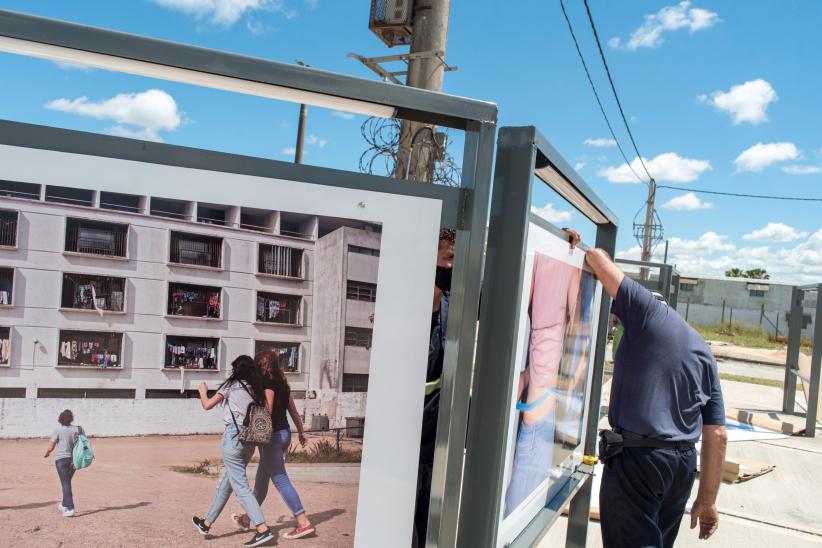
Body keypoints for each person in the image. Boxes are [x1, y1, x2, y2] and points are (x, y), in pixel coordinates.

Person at [413, 227, 582, 545]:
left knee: (427, 523)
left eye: (457, 259)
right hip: (406, 441)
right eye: (449, 258)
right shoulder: (407, 307)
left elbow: (506, 293)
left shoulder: (454, 299)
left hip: (436, 438)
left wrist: (556, 245)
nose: (454, 267)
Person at [585, 248, 727, 548]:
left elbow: (597, 257)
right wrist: (708, 499)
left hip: (639, 460)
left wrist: (579, 242)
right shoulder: (701, 349)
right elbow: (717, 433)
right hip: (681, 467)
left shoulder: (646, 311)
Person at [192, 355, 276, 548]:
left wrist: (202, 391)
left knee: (241, 487)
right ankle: (206, 523)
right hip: (250, 441)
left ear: (237, 370)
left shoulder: (231, 385)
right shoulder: (257, 389)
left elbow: (207, 405)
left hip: (233, 439)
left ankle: (262, 529)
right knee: (226, 484)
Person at [232, 350, 316, 540]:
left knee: (280, 479)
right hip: (284, 433)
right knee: (262, 480)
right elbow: (293, 412)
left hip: (272, 437)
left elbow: (267, 409)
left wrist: (254, 406)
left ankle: (303, 522)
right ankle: (247, 518)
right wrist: (301, 433)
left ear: (262, 366)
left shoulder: (268, 383)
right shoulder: (283, 384)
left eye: (259, 365)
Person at [43, 409, 84, 517]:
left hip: (61, 460)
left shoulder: (58, 430)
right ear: (71, 418)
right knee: (67, 482)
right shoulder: (78, 429)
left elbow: (51, 446)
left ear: (60, 419)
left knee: (65, 483)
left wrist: (47, 453)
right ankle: (64, 504)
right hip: (74, 460)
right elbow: (84, 443)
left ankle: (70, 508)